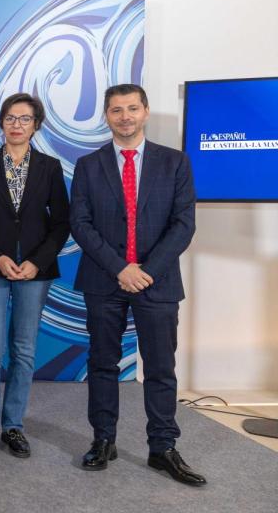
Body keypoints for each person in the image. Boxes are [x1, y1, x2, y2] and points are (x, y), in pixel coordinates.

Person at [71, 84, 204, 486]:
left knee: (161, 369)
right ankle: (104, 440)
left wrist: (145, 270)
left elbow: (184, 224)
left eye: (132, 108)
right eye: (116, 110)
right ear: (107, 117)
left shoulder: (175, 162)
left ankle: (163, 447)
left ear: (145, 112)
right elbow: (81, 224)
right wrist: (120, 269)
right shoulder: (88, 165)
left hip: (157, 281)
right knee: (103, 364)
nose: (124, 116)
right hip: (104, 279)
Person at [0, 93, 70, 458]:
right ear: (1, 123)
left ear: (36, 125)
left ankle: (14, 425)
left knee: (23, 351)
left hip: (34, 272)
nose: (17, 124)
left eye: (24, 119)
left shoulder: (50, 167)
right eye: (10, 118)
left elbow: (61, 223)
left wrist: (36, 262)